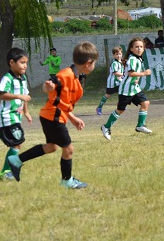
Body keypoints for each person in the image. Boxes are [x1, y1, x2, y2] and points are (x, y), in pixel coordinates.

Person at [6, 42, 99, 189]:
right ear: (88, 63)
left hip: (50, 116)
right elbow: (49, 84)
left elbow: (63, 102)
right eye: (94, 63)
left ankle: (16, 161)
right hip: (53, 118)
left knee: (51, 147)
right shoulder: (66, 74)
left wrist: (73, 119)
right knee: (68, 149)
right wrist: (47, 87)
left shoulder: (75, 78)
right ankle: (67, 181)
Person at [0, 47, 33, 181]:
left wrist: (26, 112)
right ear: (12, 63)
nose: (25, 65)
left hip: (16, 116)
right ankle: (5, 172)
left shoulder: (23, 78)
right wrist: (18, 96)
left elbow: (25, 95)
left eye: (26, 63)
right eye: (22, 62)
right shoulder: (7, 78)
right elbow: (2, 95)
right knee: (16, 144)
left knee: (15, 144)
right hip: (6, 115)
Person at [100, 37, 152, 141]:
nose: (139, 48)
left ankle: (140, 125)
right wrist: (144, 73)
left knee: (145, 103)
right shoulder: (132, 59)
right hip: (126, 89)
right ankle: (106, 127)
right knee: (120, 110)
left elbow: (132, 73)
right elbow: (130, 73)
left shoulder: (138, 58)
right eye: (136, 47)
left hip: (134, 88)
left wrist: (137, 78)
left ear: (144, 48)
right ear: (131, 49)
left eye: (141, 47)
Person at [96, 46, 124, 115]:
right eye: (116, 54)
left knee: (123, 91)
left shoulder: (122, 62)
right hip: (112, 82)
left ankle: (120, 105)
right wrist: (124, 74)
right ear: (113, 55)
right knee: (107, 95)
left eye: (119, 54)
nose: (118, 56)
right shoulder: (114, 63)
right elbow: (116, 73)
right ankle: (99, 107)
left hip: (119, 81)